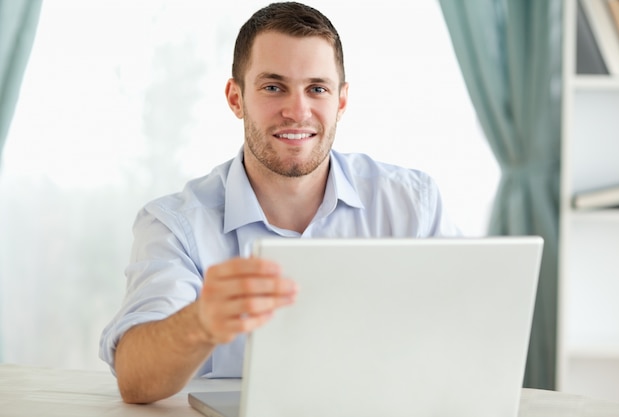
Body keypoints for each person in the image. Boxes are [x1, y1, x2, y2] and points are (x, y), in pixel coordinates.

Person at [99, 1, 460, 404]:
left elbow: (469, 337)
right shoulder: (175, 224)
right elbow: (136, 380)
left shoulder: (413, 205)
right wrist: (201, 321)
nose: (297, 110)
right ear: (235, 98)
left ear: (341, 101)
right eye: (273, 87)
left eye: (317, 89)